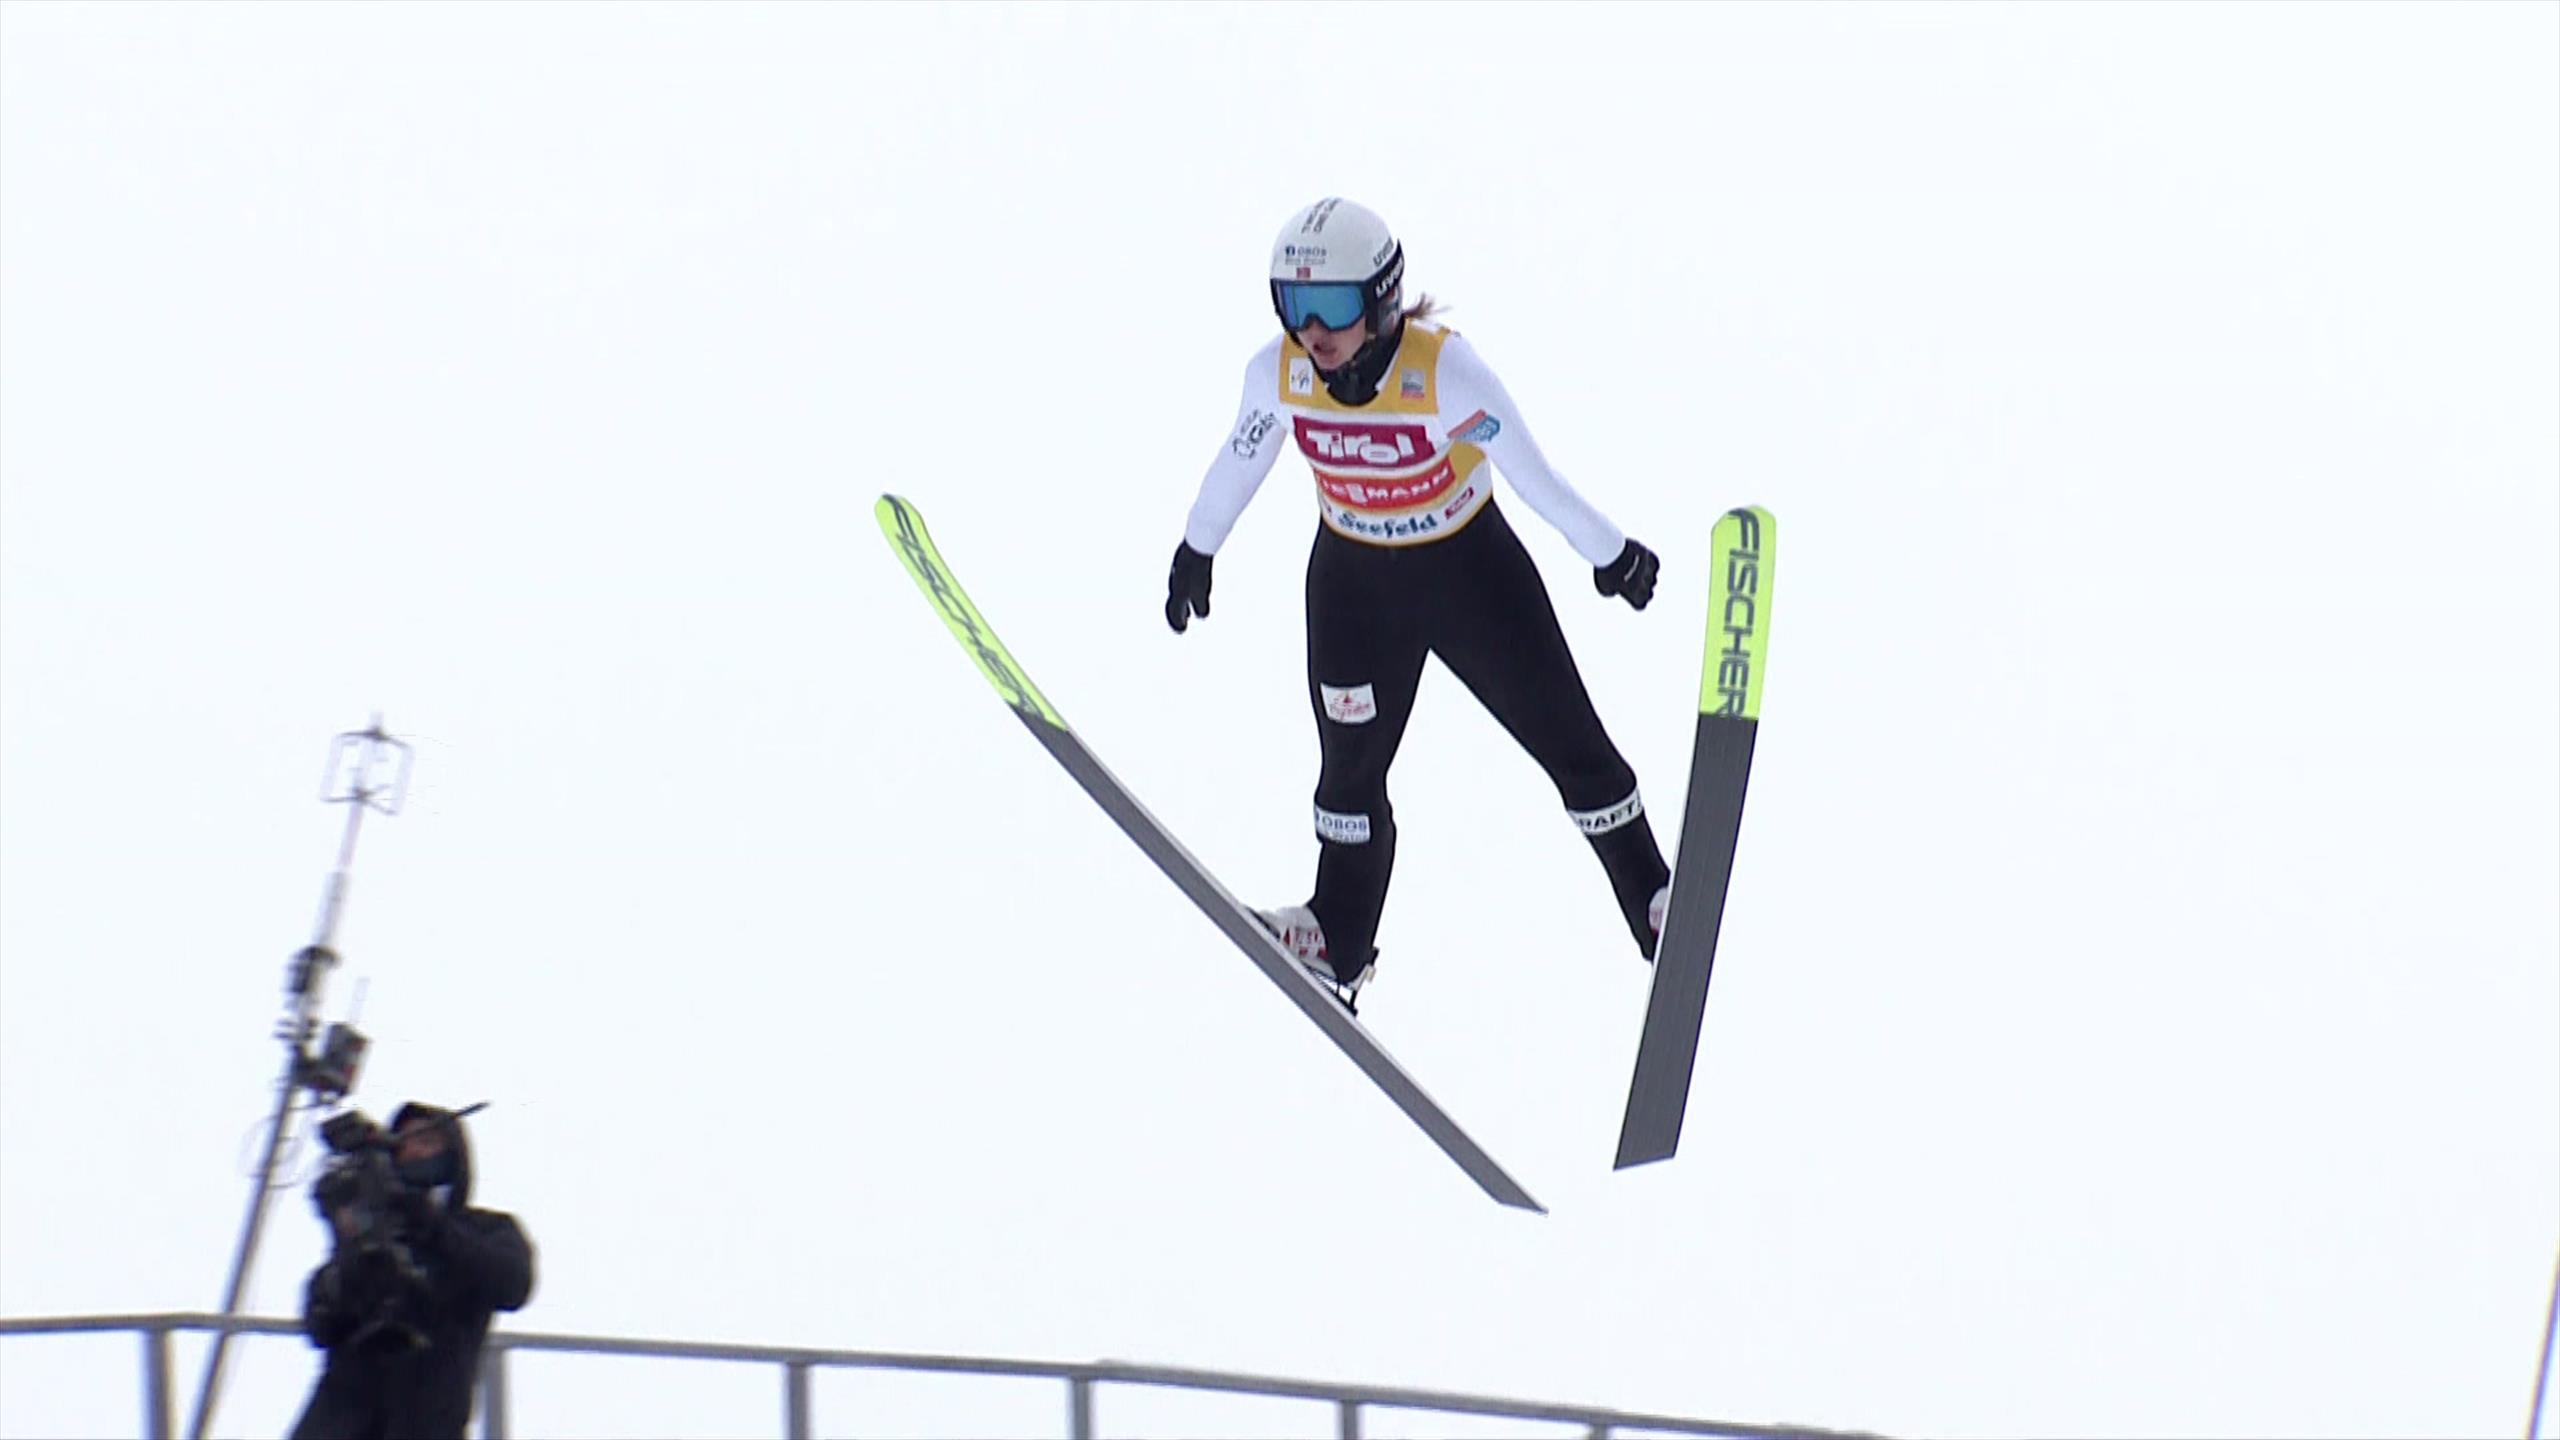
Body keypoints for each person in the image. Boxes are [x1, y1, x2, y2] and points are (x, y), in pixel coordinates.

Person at [1166, 196, 1672, 1010]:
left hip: (1469, 576)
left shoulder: (1444, 373)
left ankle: (1654, 903)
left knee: (1569, 741)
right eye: (1294, 306)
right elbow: (1240, 458)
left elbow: (1534, 475)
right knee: (1348, 776)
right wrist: (1198, 547)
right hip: (1353, 589)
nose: (1313, 332)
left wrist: (1609, 553)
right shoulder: (1279, 373)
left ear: (1381, 298)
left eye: (1333, 306)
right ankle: (1338, 939)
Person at [290, 1102, 536, 1440]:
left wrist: (431, 1227)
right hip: (337, 1424)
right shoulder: (369, 1232)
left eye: (426, 1141)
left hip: (427, 1421)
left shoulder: (485, 1229)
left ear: (454, 1156)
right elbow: (321, 1323)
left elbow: (513, 1285)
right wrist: (351, 1247)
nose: (411, 1151)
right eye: (401, 1142)